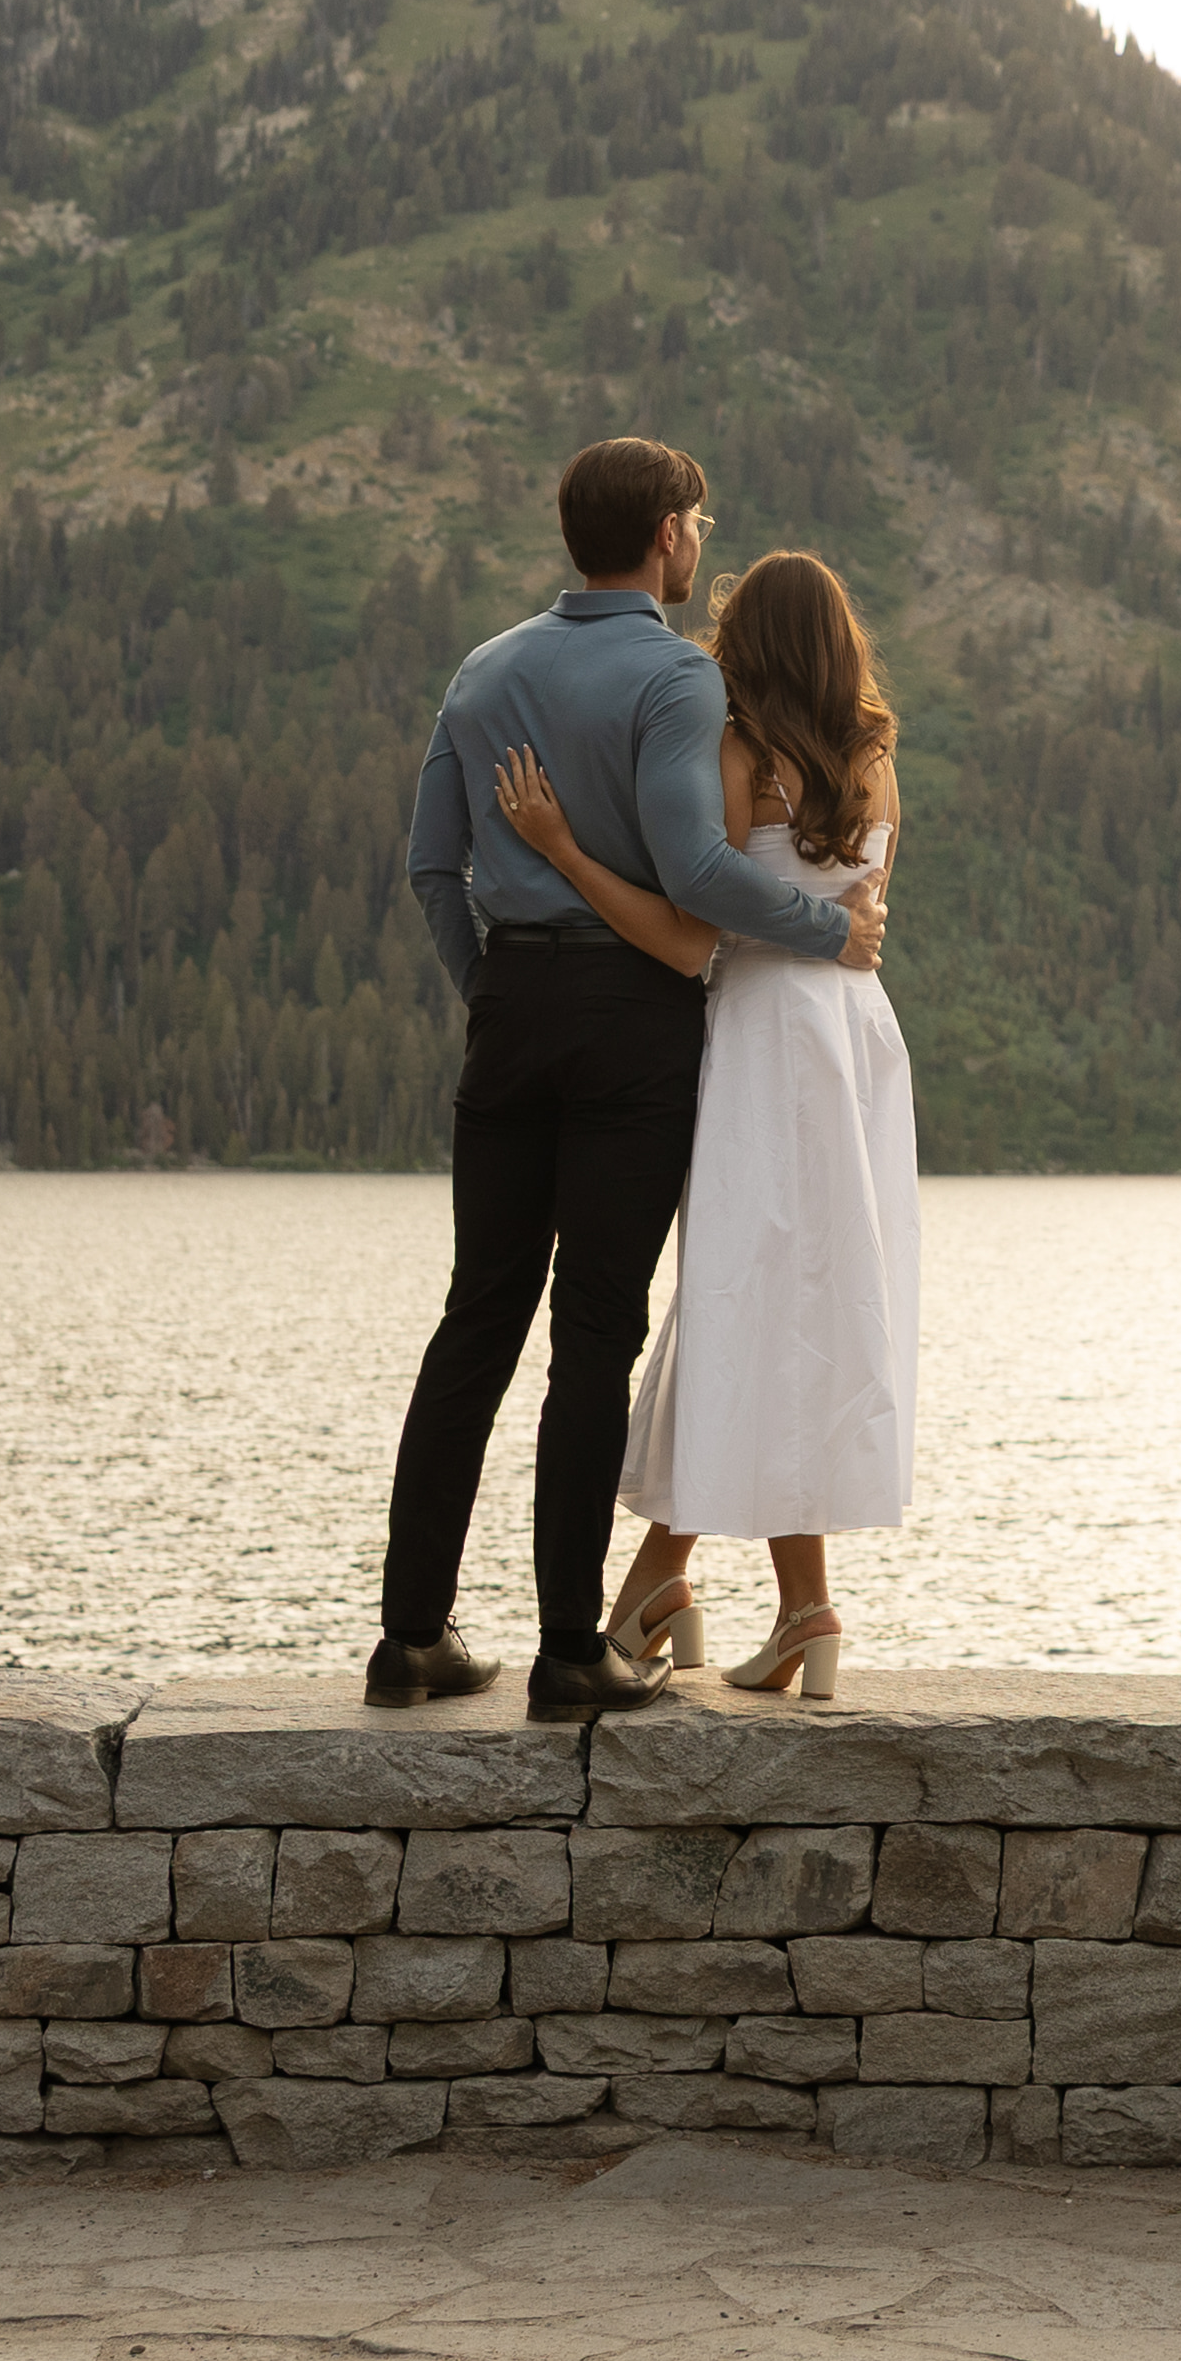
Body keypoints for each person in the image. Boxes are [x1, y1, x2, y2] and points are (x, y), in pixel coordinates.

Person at [369, 439, 886, 1722]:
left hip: (512, 1004)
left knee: (476, 1314)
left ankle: (411, 1638)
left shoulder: (482, 671)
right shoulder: (672, 678)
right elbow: (698, 875)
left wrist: (488, 986)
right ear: (665, 537)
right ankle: (567, 1650)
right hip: (632, 1017)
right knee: (595, 1330)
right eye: (695, 520)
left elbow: (434, 868)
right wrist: (829, 931)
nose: (699, 537)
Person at [487, 546, 917, 1702]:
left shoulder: (740, 756)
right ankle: (781, 1608)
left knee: (741, 1296)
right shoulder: (876, 763)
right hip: (857, 1038)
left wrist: (565, 852)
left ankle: (674, 1586)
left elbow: (691, 934)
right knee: (797, 1302)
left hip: (767, 1034)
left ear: (753, 644)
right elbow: (865, 908)